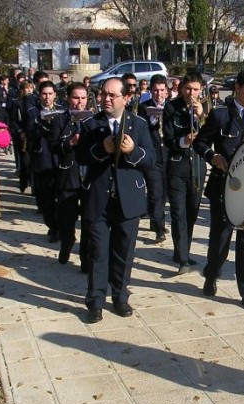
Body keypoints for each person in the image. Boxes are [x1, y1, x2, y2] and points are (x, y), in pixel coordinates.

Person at [75, 77, 156, 323]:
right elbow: (81, 156)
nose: (106, 99)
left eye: (112, 95)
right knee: (98, 253)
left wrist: (133, 152)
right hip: (99, 198)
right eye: (103, 94)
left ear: (125, 98)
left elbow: (151, 158)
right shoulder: (91, 124)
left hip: (127, 198)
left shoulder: (139, 125)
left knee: (124, 252)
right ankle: (95, 302)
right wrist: (103, 149)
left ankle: (120, 297)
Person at [193, 68, 244, 312]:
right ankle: (212, 273)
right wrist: (213, 155)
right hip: (223, 188)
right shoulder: (220, 115)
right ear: (237, 88)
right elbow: (200, 142)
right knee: (220, 240)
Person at [162, 72, 207, 274]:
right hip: (177, 166)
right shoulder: (171, 107)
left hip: (197, 166)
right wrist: (184, 141)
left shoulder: (205, 107)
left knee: (192, 212)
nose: (192, 93)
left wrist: (201, 116)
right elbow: (169, 139)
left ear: (201, 90)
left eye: (196, 89)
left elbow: (211, 136)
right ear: (182, 88)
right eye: (188, 89)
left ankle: (183, 251)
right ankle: (182, 259)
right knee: (178, 213)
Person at [47, 82, 90, 267]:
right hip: (68, 176)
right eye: (75, 98)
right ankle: (67, 243)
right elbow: (53, 146)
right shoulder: (59, 120)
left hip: (89, 176)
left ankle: (86, 258)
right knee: (66, 218)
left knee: (90, 219)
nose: (79, 102)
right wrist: (70, 142)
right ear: (68, 99)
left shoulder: (94, 119)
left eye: (82, 98)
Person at [25, 80, 65, 242]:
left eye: (50, 94)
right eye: (44, 94)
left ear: (55, 95)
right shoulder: (33, 112)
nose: (47, 97)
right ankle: (53, 228)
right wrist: (43, 124)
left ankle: (63, 227)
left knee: (62, 198)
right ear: (39, 95)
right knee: (46, 199)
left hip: (60, 160)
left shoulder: (62, 110)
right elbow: (30, 133)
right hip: (43, 159)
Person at [137, 74, 169, 244]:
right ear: (150, 91)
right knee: (155, 192)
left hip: (168, 155)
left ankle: (154, 217)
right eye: (155, 91)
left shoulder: (171, 107)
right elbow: (141, 129)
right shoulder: (144, 107)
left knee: (163, 194)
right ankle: (159, 228)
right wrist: (152, 119)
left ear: (167, 91)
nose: (159, 94)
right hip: (152, 155)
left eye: (162, 90)